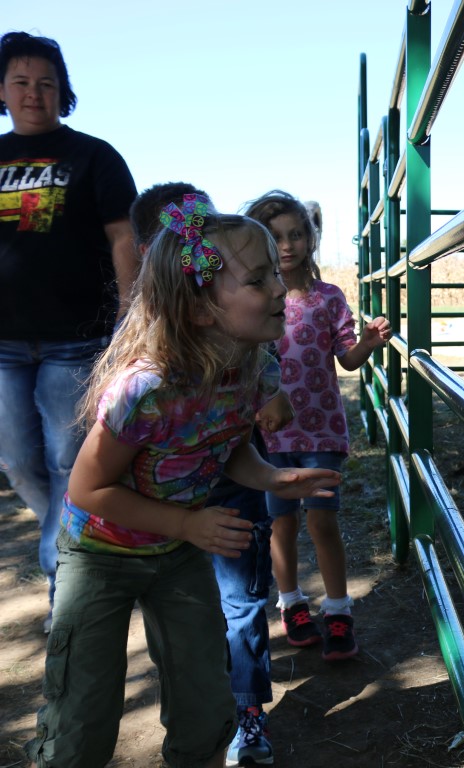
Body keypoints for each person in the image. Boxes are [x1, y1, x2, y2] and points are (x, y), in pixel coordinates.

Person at [24, 200, 340, 768]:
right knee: (82, 714)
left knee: (204, 702)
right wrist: (187, 523)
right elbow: (87, 490)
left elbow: (224, 443)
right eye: (258, 279)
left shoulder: (251, 368)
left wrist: (272, 476)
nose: (279, 288)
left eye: (275, 272)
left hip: (177, 552)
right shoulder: (146, 388)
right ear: (199, 309)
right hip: (100, 552)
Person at [130, 184, 292, 766]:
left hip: (231, 482)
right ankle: (199, 718)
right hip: (168, 508)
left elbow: (265, 403)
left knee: (242, 599)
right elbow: (93, 483)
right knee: (187, 618)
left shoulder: (252, 353)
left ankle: (246, 712)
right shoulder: (143, 373)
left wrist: (269, 459)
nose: (278, 289)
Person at [0, 31, 137, 633]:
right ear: (3, 91)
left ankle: (62, 575)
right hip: (3, 343)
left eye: (47, 83)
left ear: (63, 91)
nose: (35, 93)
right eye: (22, 82)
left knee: (65, 460)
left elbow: (125, 236)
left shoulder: (94, 156)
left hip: (77, 339)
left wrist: (127, 317)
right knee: (17, 461)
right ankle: (62, 530)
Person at [245, 190, 391, 661]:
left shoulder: (328, 298)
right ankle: (291, 604)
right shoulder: (250, 299)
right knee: (281, 523)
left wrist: (368, 341)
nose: (287, 245)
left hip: (321, 429)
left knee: (322, 519)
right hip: (270, 434)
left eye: (296, 235)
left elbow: (347, 358)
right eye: (275, 237)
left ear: (311, 239)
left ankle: (339, 609)